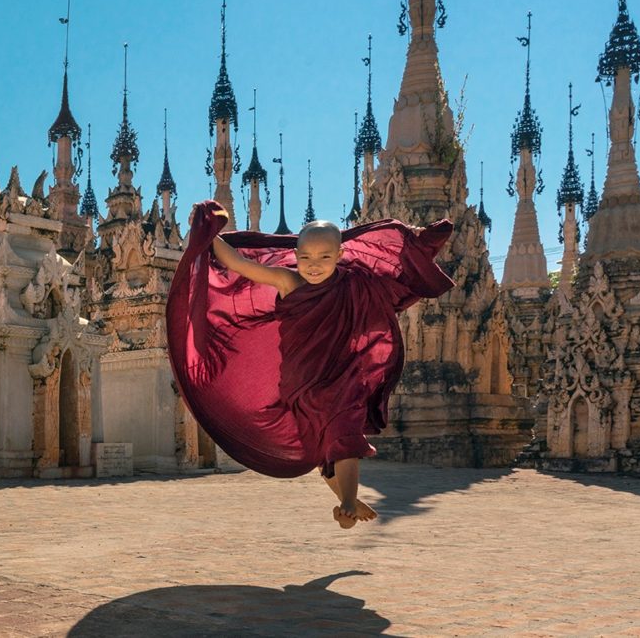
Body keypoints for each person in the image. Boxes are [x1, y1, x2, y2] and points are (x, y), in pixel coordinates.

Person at [166, 201, 454, 529]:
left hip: (342, 377)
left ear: (341, 256)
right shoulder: (288, 282)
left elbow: (393, 267)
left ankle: (347, 500)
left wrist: (423, 240)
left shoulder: (354, 283)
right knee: (318, 449)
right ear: (295, 255)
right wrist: (205, 232)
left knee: (344, 434)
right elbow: (238, 263)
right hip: (301, 383)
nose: (313, 265)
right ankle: (346, 498)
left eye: (324, 258)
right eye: (305, 258)